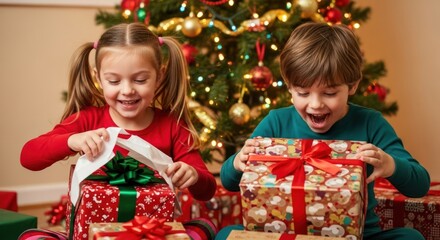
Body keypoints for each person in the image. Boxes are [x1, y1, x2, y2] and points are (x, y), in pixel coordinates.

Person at [217, 22, 430, 239]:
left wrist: (390, 164)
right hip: (283, 235)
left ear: (353, 85)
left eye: (329, 93)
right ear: (289, 87)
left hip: (360, 236)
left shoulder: (370, 123)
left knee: (411, 237)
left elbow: (419, 185)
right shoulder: (276, 122)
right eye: (303, 92)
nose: (316, 104)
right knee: (225, 235)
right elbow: (229, 182)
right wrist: (237, 162)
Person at [20, 22, 216, 202]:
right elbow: (28, 157)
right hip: (95, 230)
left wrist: (194, 175)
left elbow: (207, 191)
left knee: (201, 232)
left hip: (153, 229)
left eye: (140, 80)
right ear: (99, 78)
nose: (127, 90)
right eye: (114, 81)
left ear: (159, 76)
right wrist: (73, 140)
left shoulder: (172, 125)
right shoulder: (89, 120)